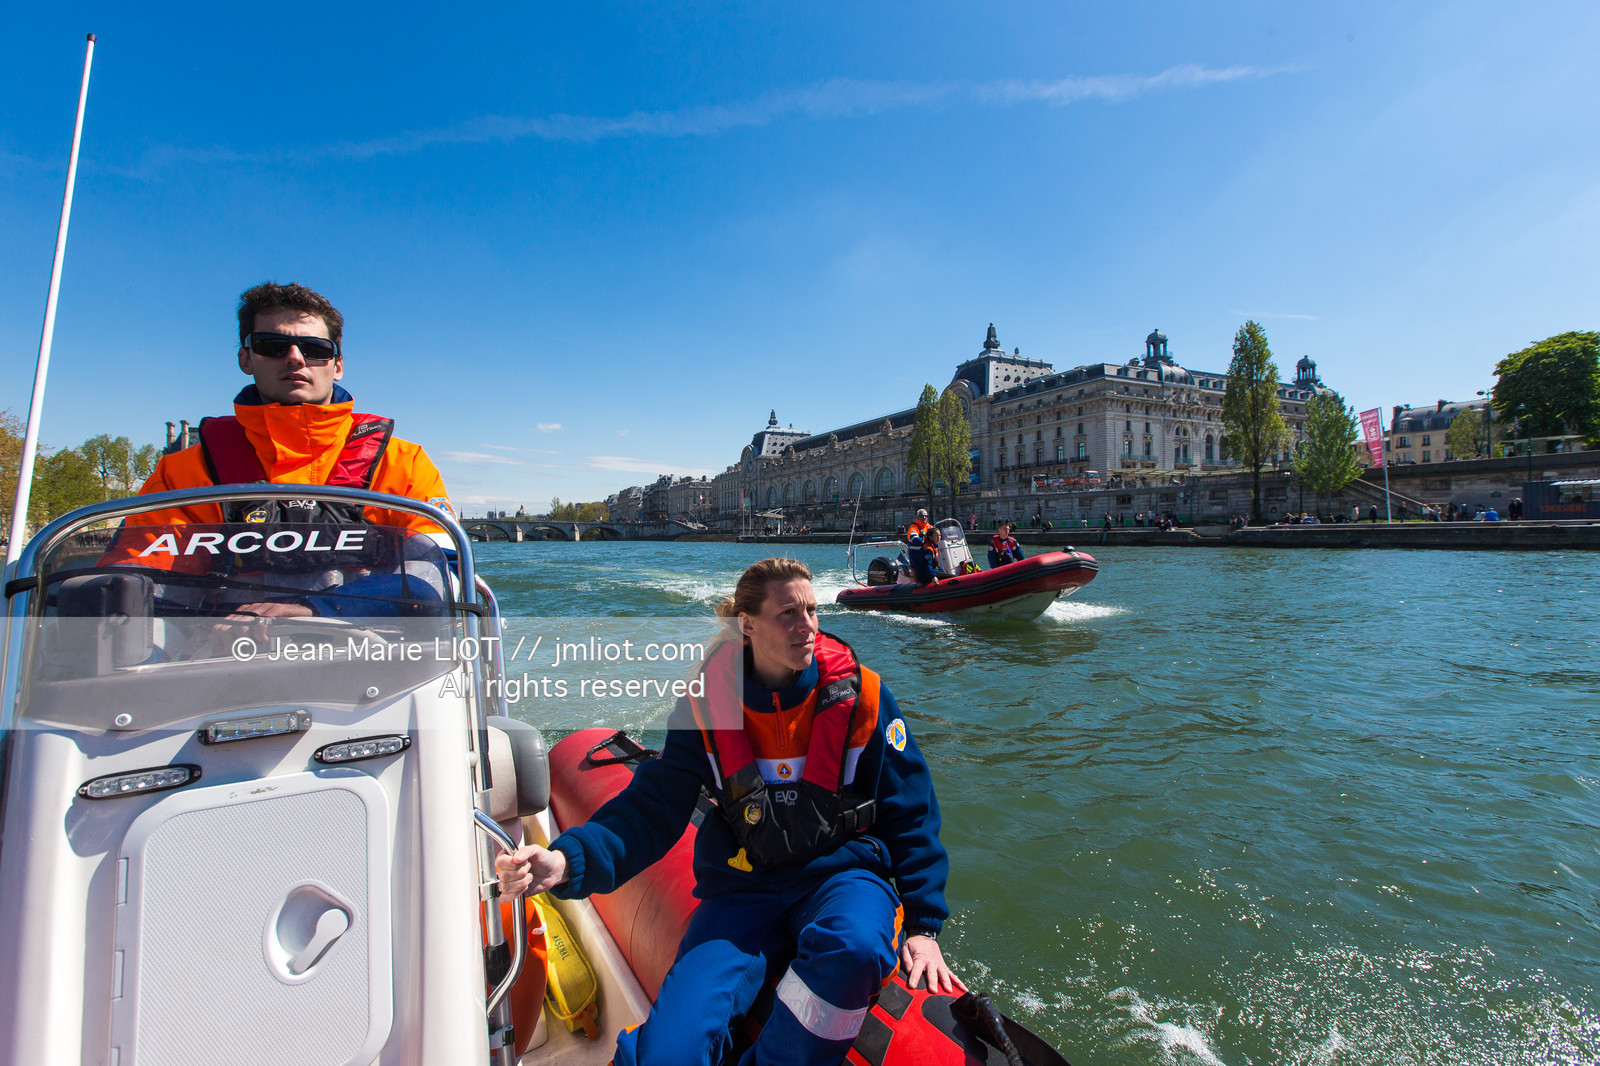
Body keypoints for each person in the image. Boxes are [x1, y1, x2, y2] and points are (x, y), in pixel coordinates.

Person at [494, 559, 962, 1066]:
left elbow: (911, 809)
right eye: (788, 613)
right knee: (669, 1051)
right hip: (743, 886)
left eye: (812, 610)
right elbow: (652, 808)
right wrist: (565, 862)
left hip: (842, 876)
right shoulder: (704, 704)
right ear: (748, 625)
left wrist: (924, 925)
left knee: (855, 948)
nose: (807, 625)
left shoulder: (863, 696)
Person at [135, 281, 452, 533]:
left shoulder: (404, 466)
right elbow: (136, 577)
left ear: (337, 365)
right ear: (245, 358)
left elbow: (438, 570)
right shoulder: (182, 475)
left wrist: (323, 608)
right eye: (272, 346)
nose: (295, 358)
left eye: (315, 349)